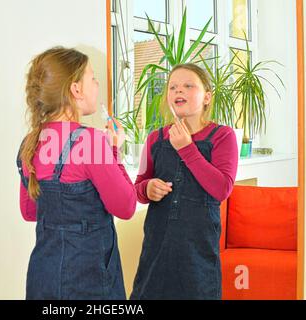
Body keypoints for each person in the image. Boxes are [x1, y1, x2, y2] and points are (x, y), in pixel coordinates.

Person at [17, 47, 136, 300]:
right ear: (76, 89)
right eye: (92, 78)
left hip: (43, 276)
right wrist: (114, 150)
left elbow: (30, 212)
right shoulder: (90, 141)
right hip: (89, 280)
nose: (96, 84)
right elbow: (126, 206)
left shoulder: (30, 143)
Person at [130, 63, 239, 300]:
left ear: (207, 96)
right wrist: (147, 188)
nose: (179, 91)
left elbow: (221, 189)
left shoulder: (223, 136)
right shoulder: (154, 139)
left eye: (188, 85)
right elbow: (137, 189)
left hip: (197, 252)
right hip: (157, 248)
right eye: (173, 87)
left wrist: (187, 148)